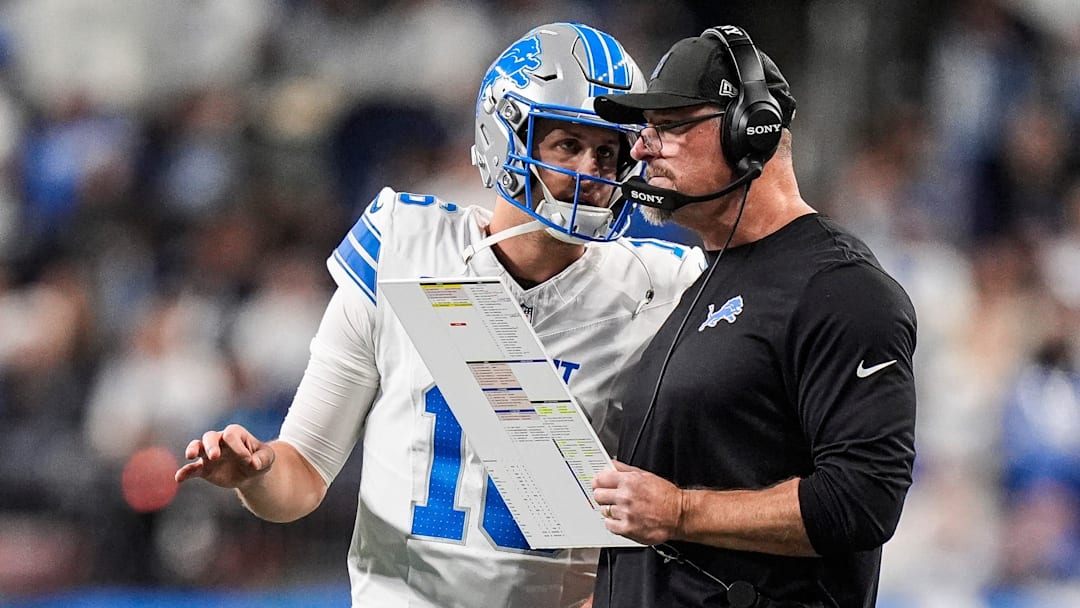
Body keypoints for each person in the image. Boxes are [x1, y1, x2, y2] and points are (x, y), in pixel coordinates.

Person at [174, 22, 704, 608]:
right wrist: (257, 473)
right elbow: (301, 477)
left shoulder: (661, 288)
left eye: (608, 151)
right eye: (567, 145)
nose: (592, 171)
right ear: (506, 138)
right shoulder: (402, 247)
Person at [587, 25, 918, 608]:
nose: (640, 149)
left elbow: (863, 499)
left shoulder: (841, 289)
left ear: (751, 131)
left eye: (669, 127)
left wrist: (682, 510)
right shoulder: (700, 284)